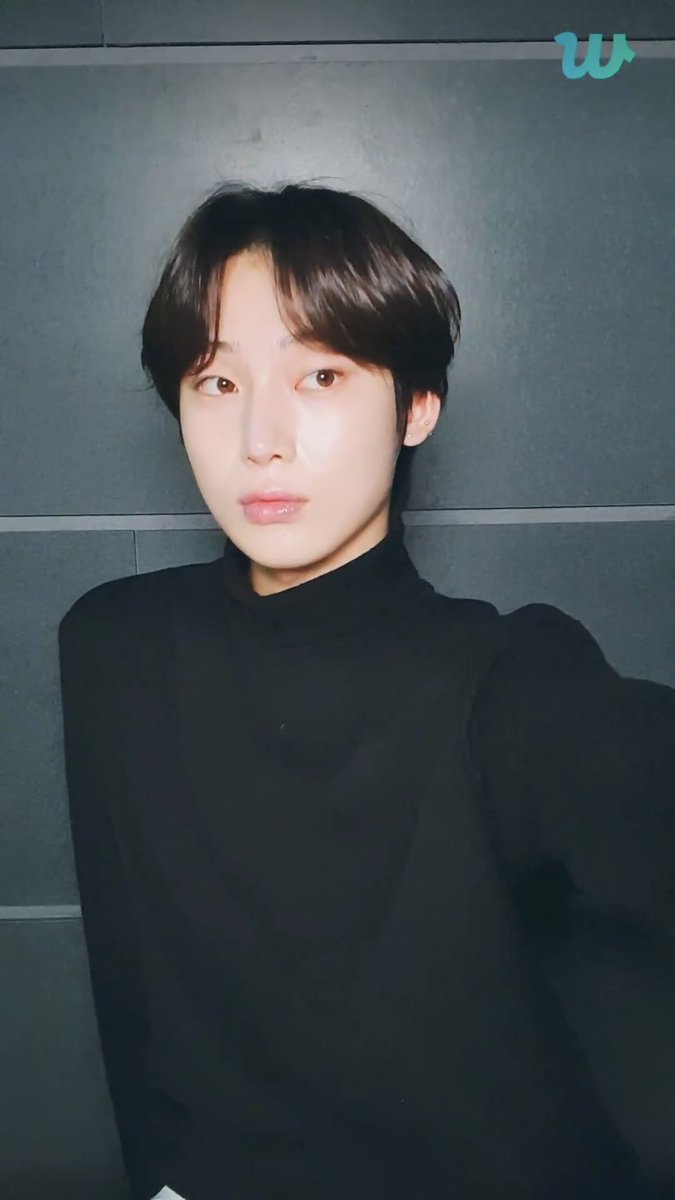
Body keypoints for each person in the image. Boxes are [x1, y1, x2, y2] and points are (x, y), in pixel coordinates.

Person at [57, 180, 675, 1200]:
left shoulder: (507, 681)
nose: (259, 436)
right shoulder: (114, 645)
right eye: (217, 381)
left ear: (416, 406)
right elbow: (135, 995)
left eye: (321, 374)